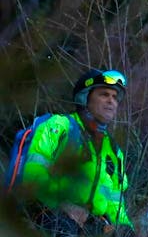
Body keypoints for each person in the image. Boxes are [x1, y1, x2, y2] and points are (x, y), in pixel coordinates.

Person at [14, 69, 135, 236]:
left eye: (115, 97)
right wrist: (62, 205)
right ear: (85, 98)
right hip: (48, 212)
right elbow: (34, 173)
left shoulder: (113, 151)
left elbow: (115, 201)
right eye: (104, 95)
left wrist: (124, 226)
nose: (111, 101)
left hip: (91, 223)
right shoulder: (60, 126)